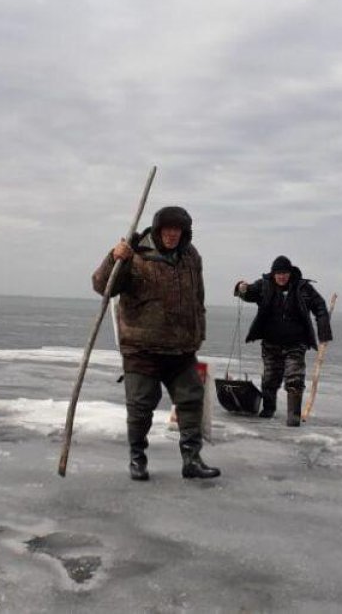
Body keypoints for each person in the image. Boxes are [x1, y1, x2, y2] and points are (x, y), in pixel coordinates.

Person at [93, 206, 219, 481]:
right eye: (168, 229)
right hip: (142, 348)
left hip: (182, 348)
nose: (173, 234)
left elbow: (198, 298)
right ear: (158, 229)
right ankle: (137, 459)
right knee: (140, 407)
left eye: (178, 230)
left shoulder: (190, 256)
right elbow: (103, 285)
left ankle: (191, 459)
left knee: (191, 401)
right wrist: (114, 257)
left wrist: (197, 333)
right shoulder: (134, 252)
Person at [235, 256, 332, 426]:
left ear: (290, 273)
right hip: (271, 342)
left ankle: (293, 416)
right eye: (278, 273)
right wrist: (241, 288)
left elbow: (320, 307)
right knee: (270, 379)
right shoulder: (264, 285)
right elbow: (248, 293)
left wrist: (324, 333)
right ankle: (268, 409)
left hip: (296, 343)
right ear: (273, 274)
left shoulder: (303, 288)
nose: (281, 277)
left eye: (284, 273)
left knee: (295, 378)